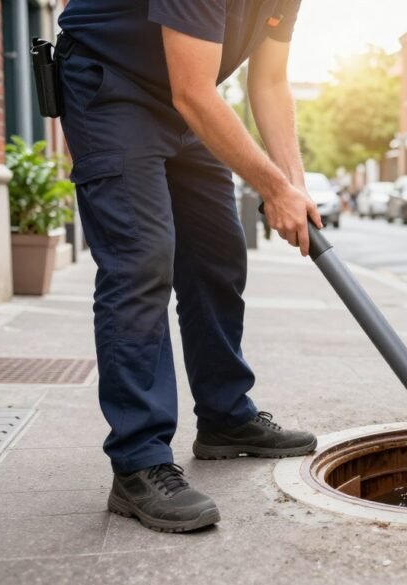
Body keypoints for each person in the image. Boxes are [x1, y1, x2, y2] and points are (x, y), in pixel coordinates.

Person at [57, 0, 321, 533]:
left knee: (218, 253)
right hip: (111, 87)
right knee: (142, 260)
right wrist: (271, 187)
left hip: (182, 97)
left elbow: (268, 83)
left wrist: (293, 186)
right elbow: (194, 92)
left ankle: (225, 418)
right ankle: (138, 461)